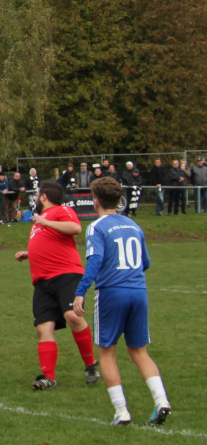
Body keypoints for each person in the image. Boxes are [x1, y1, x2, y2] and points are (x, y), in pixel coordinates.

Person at [73, 177, 171, 426]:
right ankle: (161, 401)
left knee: (107, 353)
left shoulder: (96, 227)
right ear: (119, 200)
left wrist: (81, 291)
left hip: (112, 293)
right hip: (138, 291)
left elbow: (94, 262)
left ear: (95, 201)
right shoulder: (134, 225)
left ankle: (121, 411)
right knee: (139, 350)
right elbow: (145, 262)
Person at [13, 181, 100, 390]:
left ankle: (91, 365)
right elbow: (47, 242)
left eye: (37, 195)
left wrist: (46, 221)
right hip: (42, 281)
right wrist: (29, 253)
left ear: (44, 197)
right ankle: (48, 377)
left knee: (72, 316)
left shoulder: (62, 210)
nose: (35, 199)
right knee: (43, 328)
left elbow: (75, 228)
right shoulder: (38, 222)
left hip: (66, 274)